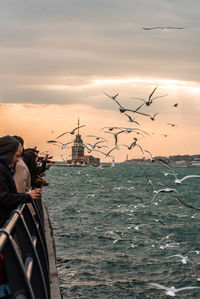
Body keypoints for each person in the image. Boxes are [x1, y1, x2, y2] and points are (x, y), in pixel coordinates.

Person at [0, 135, 41, 228]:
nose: (18, 159)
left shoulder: (5, 168)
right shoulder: (2, 170)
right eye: (17, 156)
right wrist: (27, 196)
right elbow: (4, 197)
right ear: (7, 153)